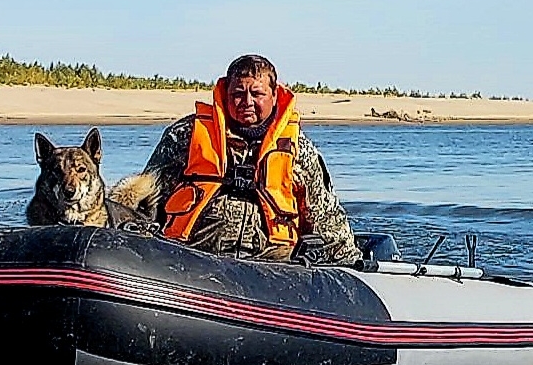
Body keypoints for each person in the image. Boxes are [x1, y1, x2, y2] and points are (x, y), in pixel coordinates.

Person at [127, 54, 362, 265]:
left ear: (274, 95)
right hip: (193, 253)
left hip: (272, 262)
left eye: (257, 93)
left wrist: (352, 263)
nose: (247, 102)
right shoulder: (186, 135)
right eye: (238, 94)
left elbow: (325, 215)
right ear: (226, 94)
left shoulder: (299, 149)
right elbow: (146, 193)